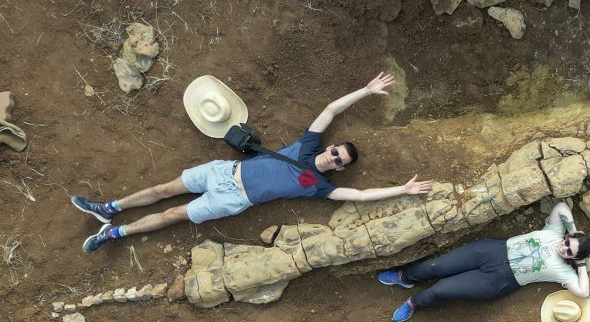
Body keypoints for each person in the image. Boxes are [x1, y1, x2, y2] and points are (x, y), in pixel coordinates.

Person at [73, 72, 432, 253]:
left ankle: (115, 232)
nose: (334, 154)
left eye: (339, 159)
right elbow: (331, 110)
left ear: (338, 167)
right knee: (162, 189)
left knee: (172, 216)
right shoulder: (308, 146)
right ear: (332, 146)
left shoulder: (320, 187)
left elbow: (360, 195)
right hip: (223, 171)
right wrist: (366, 92)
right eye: (336, 149)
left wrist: (404, 189)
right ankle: (109, 207)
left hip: (233, 200)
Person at [378, 200, 590, 322]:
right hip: (491, 251)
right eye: (567, 243)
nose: (563, 248)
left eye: (569, 252)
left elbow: (583, 292)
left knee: (442, 289)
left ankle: (414, 303)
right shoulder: (555, 232)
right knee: (437, 265)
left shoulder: (563, 272)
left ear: (573, 258)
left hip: (498, 280)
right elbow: (562, 207)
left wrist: (581, 265)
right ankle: (405, 277)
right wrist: (573, 230)